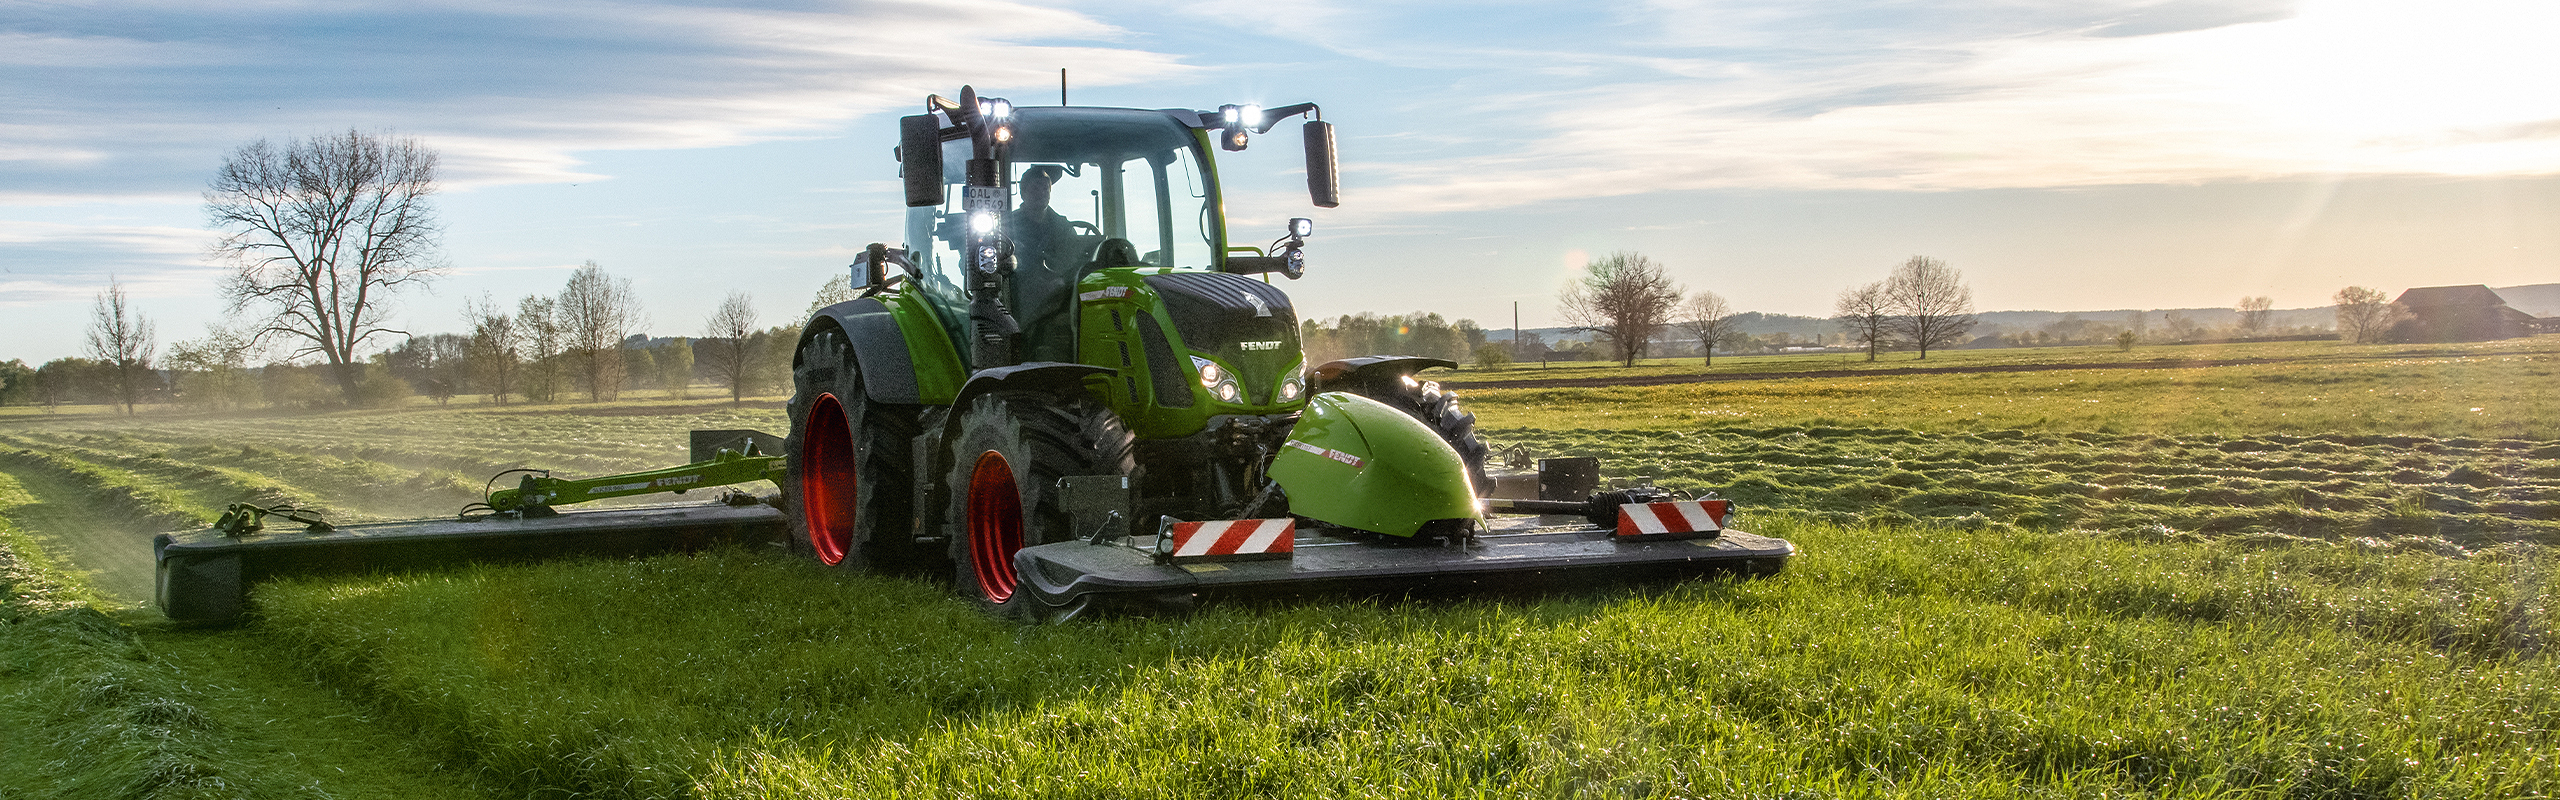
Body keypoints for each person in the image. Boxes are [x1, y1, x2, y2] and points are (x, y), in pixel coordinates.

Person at [1003, 165, 1088, 360]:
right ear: (1023, 192)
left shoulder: (1063, 226)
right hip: (1017, 295)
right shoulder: (1007, 225)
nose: (1041, 193)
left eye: (1045, 188)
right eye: (1035, 188)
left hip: (1059, 294)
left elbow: (1073, 260)